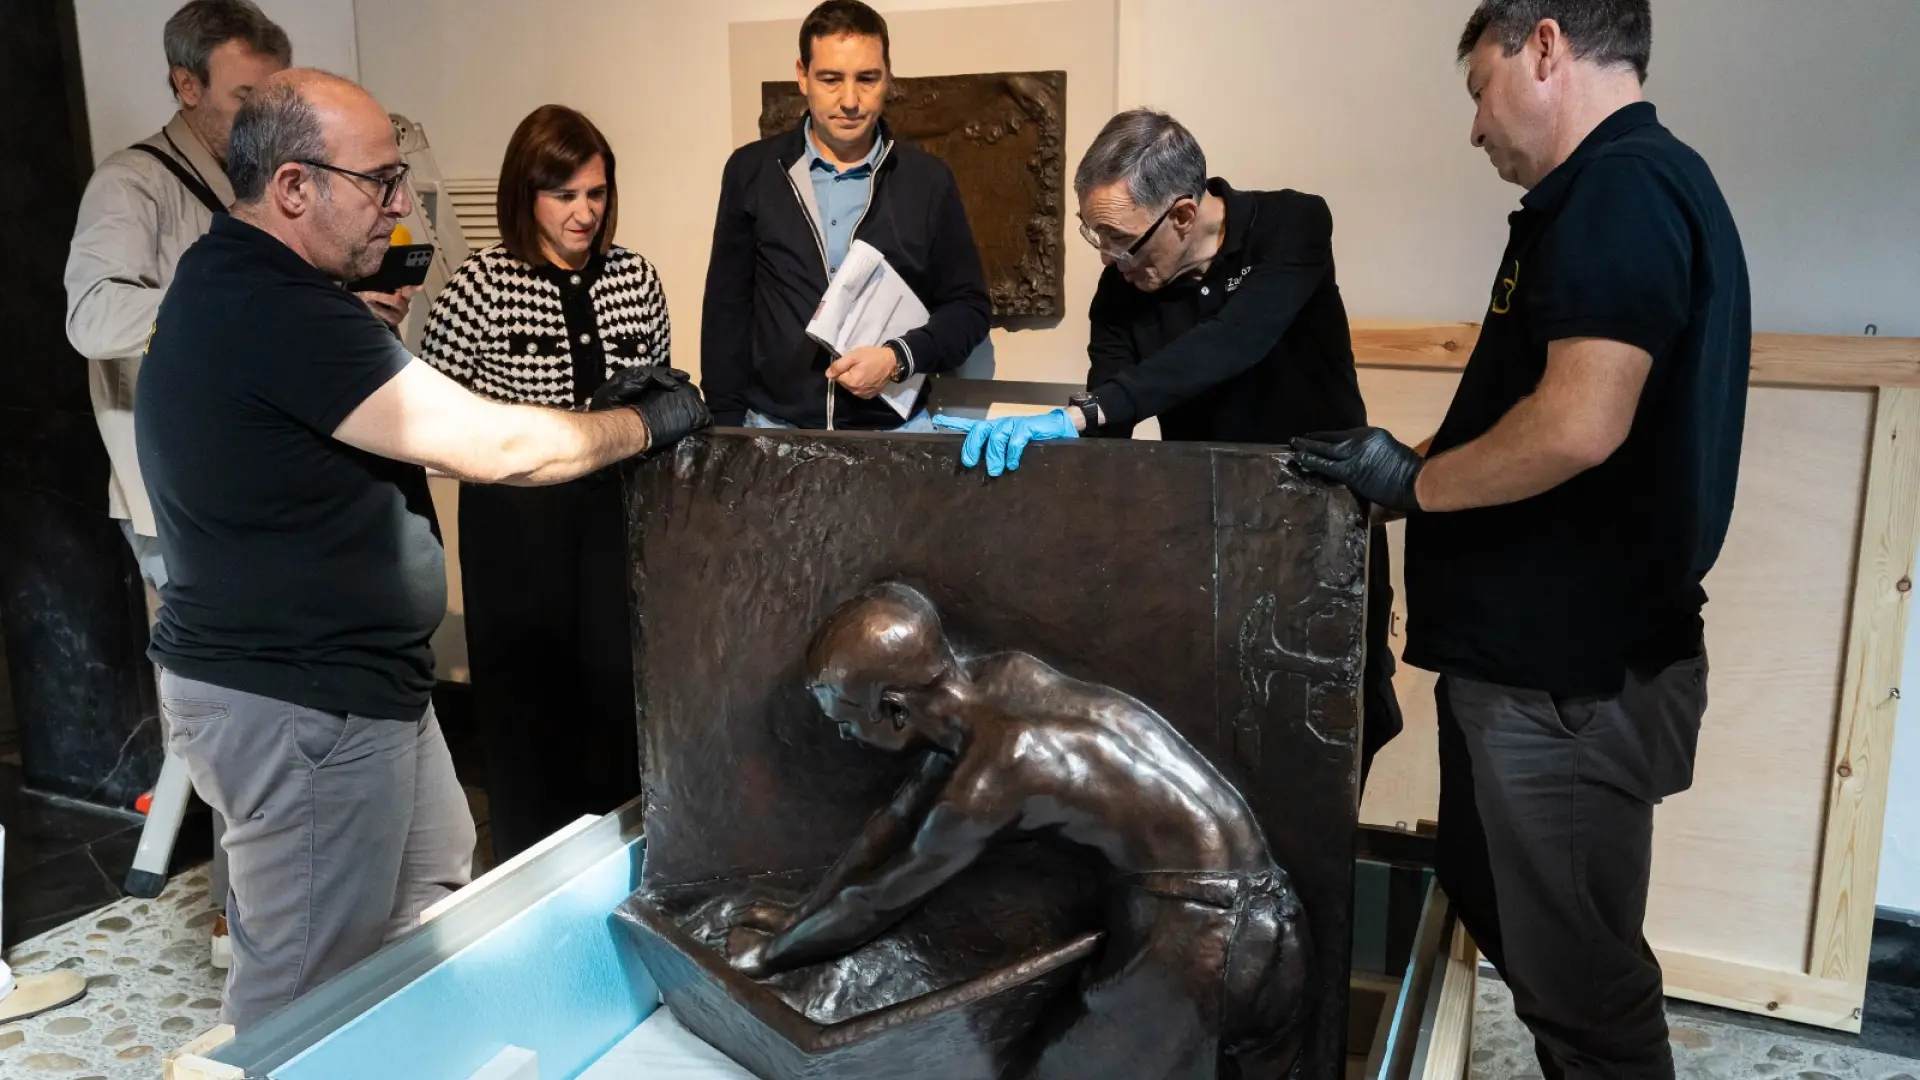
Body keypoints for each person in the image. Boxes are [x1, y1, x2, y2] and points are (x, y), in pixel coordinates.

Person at [135, 69, 709, 1028]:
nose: (401, 206)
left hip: (361, 690)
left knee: (427, 923)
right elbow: (498, 448)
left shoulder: (255, 283)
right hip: (299, 699)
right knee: (304, 990)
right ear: (293, 188)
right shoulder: (280, 310)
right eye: (380, 182)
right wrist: (647, 423)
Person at [1294, 3, 1749, 1077]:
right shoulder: (1603, 193)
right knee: (1512, 914)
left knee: (1585, 997)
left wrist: (1419, 483)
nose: (1476, 128)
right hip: (1538, 673)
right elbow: (1539, 410)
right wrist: (1406, 461)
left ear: (1545, 46)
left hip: (1568, 685)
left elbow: (1580, 422)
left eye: (1478, 90)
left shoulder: (1622, 186)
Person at [935, 109, 1402, 780]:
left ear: (1182, 215)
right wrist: (1041, 459)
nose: (1109, 257)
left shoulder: (1290, 228)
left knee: (1332, 736)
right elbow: (1110, 433)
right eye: (1091, 234)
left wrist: (1082, 414)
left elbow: (1233, 344)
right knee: (1221, 736)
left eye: (1120, 239)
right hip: (1216, 540)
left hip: (1323, 528)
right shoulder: (1119, 293)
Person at [715, 583, 1309, 1079]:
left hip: (1201, 945)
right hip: (1274, 921)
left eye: (846, 723)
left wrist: (769, 957)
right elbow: (889, 826)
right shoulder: (1002, 679)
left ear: (896, 711)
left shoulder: (997, 774)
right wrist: (796, 919)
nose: (843, 737)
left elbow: (881, 897)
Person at [62, 0, 293, 973]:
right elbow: (92, 313)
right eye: (246, 96)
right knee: (228, 714)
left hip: (256, 487)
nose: (264, 113)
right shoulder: (130, 186)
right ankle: (240, 934)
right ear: (185, 84)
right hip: (175, 498)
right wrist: (230, 297)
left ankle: (274, 913)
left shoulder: (245, 176)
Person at [419, 105, 667, 862]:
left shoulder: (635, 277)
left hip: (615, 520)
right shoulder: (480, 286)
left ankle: (625, 869)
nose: (583, 212)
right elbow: (430, 413)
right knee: (526, 707)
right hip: (514, 529)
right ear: (527, 195)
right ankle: (530, 878)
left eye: (595, 193)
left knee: (616, 698)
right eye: (564, 195)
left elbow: (657, 393)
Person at [700, 0, 990, 431]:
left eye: (867, 79)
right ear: (802, 76)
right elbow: (726, 310)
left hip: (893, 432)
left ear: (887, 76)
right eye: (831, 79)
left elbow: (969, 308)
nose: (850, 100)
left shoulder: (928, 180)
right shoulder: (751, 171)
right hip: (772, 430)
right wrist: (725, 431)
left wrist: (898, 357)